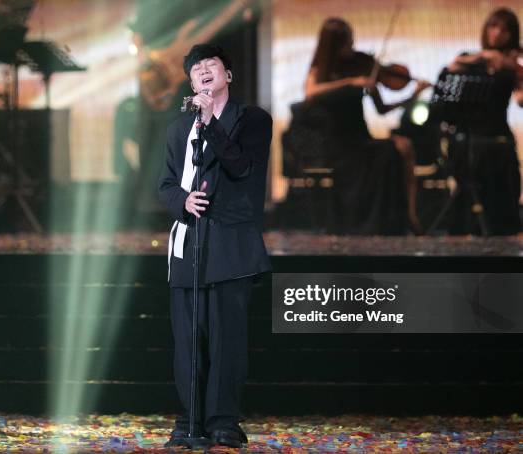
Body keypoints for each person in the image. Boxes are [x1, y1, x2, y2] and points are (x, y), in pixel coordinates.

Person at [157, 43, 271, 448]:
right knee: (189, 340)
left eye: (212, 65)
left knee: (226, 340)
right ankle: (189, 420)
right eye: (196, 69)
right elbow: (166, 185)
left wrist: (210, 123)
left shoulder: (252, 120)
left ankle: (223, 421)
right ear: (191, 82)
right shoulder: (177, 130)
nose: (204, 71)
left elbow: (241, 166)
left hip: (233, 246)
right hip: (190, 244)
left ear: (228, 75)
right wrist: (182, 202)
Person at [302, 17, 430, 235]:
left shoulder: (362, 66)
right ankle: (382, 221)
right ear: (333, 45)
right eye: (347, 43)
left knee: (402, 147)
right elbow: (310, 93)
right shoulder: (320, 71)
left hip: (362, 138)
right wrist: (350, 82)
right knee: (390, 152)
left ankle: (408, 215)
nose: (352, 47)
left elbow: (382, 109)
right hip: (339, 144)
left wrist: (412, 96)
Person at [443, 7, 522, 235]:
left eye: (505, 30)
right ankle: (466, 228)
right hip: (469, 137)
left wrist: (512, 68)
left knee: (505, 186)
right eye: (493, 27)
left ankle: (501, 232)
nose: (497, 34)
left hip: (498, 137)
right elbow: (452, 67)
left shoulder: (513, 64)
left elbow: (520, 99)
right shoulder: (471, 59)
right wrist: (485, 56)